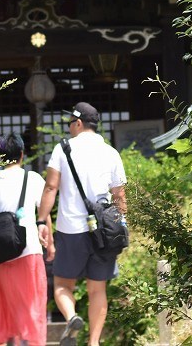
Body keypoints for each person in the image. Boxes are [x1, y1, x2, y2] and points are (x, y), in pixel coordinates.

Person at [36, 102, 127, 346]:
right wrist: (122, 227)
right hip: (103, 232)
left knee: (62, 286)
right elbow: (119, 196)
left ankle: (72, 317)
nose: (68, 129)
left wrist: (41, 220)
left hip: (71, 231)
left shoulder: (63, 149)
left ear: (78, 123)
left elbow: (51, 187)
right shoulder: (111, 152)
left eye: (69, 124)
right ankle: (94, 343)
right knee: (98, 290)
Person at [0, 133, 48, 346]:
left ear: (0, 157)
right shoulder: (34, 179)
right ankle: (28, 341)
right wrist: (51, 244)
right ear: (22, 154)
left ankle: (11, 342)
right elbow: (43, 217)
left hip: (0, 251)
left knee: (6, 301)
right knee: (31, 301)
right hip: (28, 247)